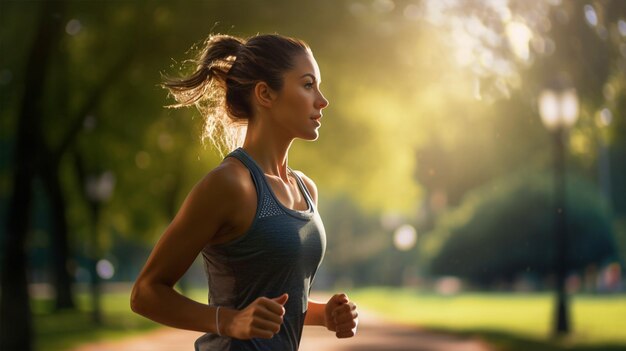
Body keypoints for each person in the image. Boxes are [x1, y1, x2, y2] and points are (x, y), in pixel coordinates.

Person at [130, 33, 359, 351]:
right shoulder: (229, 185)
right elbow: (145, 293)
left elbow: (270, 300)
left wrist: (323, 315)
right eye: (308, 85)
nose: (322, 100)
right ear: (265, 93)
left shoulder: (305, 189)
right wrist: (228, 321)